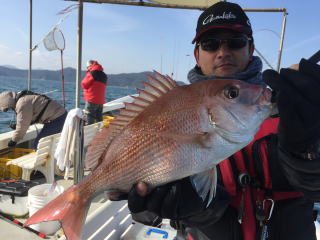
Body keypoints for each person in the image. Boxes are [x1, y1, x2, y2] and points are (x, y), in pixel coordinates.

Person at [120, 2, 320, 240]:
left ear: (251, 49)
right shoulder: (172, 108)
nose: (223, 52)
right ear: (197, 54)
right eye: (210, 44)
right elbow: (145, 215)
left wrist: (308, 149)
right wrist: (184, 207)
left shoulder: (294, 109)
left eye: (235, 41)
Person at [0, 90, 67, 149]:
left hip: (57, 118)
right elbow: (29, 118)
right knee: (41, 144)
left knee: (38, 145)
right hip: (59, 116)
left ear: (9, 103)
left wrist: (14, 141)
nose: (11, 109)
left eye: (8, 108)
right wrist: (16, 125)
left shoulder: (22, 104)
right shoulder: (23, 98)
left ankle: (42, 163)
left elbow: (22, 126)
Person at [81, 60, 108, 124]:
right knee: (99, 116)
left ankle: (89, 131)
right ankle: (100, 131)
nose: (87, 69)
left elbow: (84, 84)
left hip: (92, 98)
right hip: (100, 100)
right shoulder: (104, 75)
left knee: (89, 115)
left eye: (87, 67)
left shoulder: (92, 73)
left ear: (90, 66)